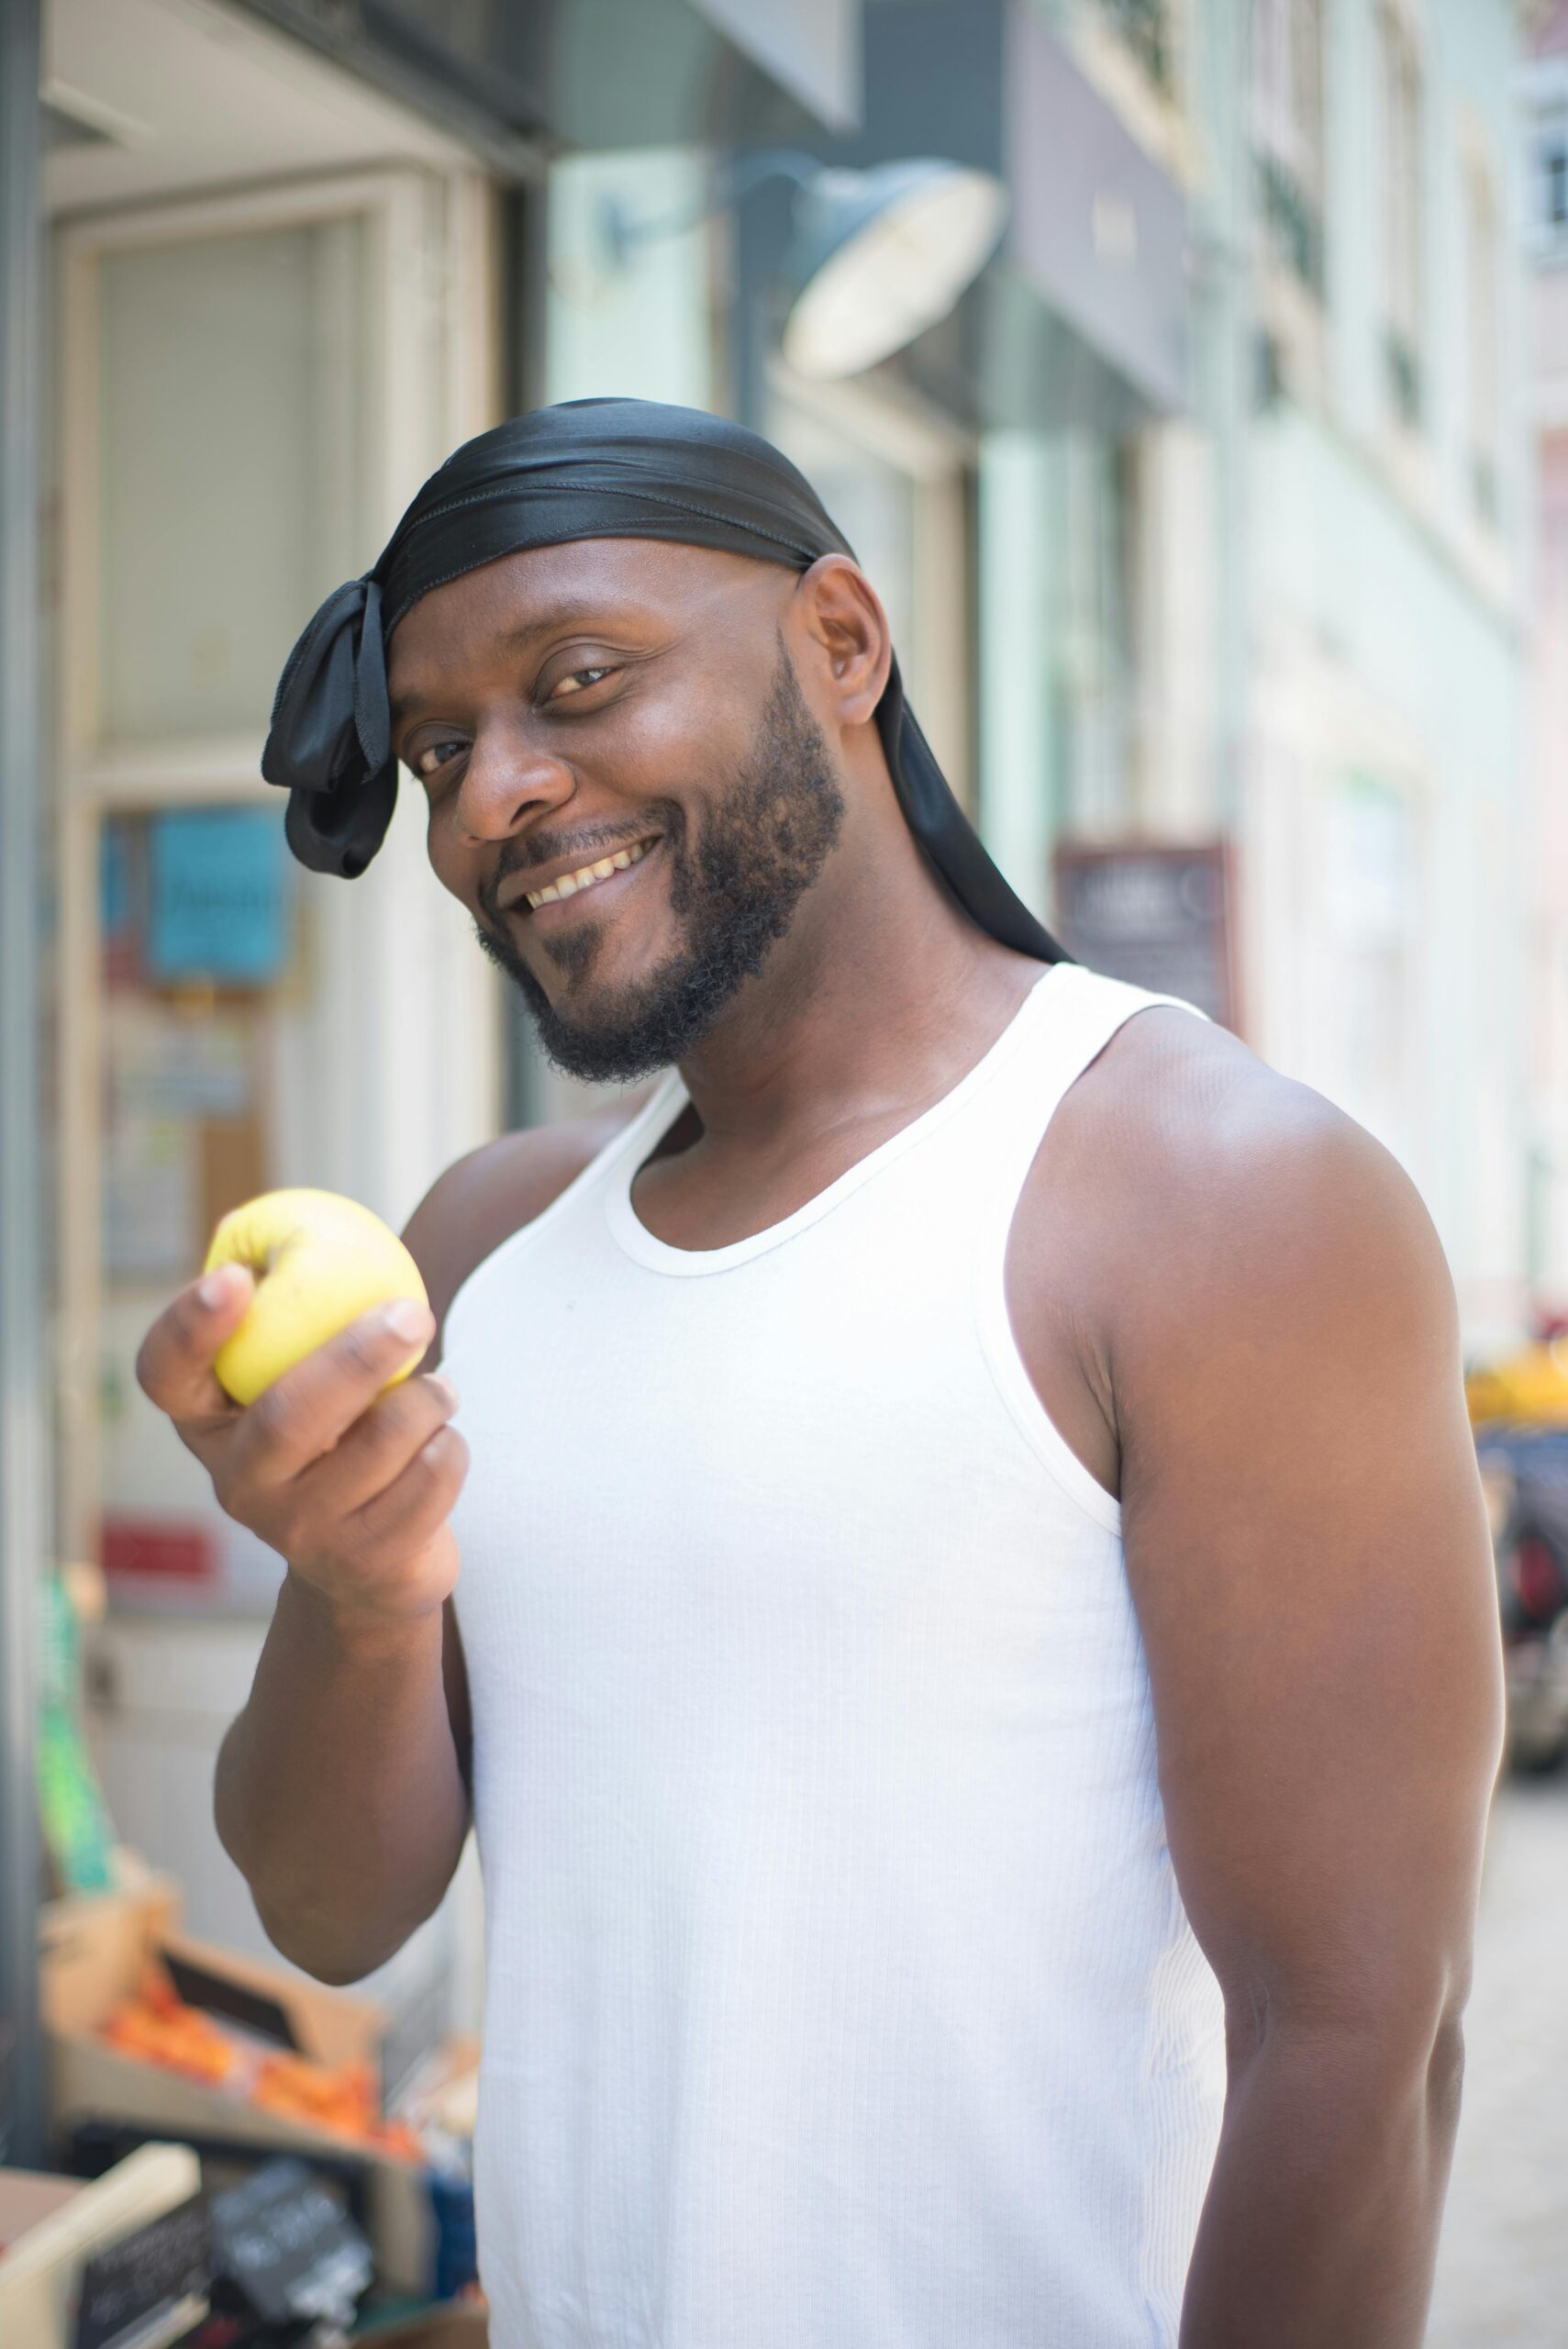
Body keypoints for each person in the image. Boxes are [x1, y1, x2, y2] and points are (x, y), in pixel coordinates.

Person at [136, 402, 1502, 2349]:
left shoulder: (1211, 1200)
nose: (490, 797)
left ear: (841, 642)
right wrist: (363, 1595)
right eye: (442, 748)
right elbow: (332, 1910)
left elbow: (1359, 2039)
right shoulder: (486, 1246)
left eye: (575, 682)